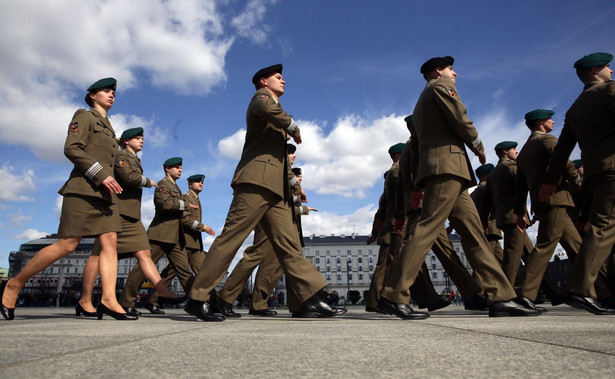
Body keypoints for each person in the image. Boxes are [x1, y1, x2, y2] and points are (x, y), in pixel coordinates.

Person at [378, 56, 540, 319]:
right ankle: (393, 295)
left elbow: (417, 146)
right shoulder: (440, 87)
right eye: (451, 69)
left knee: (474, 233)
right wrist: (477, 144)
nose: (456, 74)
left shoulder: (421, 103)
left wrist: (419, 183)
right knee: (428, 227)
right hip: (447, 167)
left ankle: (502, 296)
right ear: (438, 71)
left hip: (447, 171)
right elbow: (459, 116)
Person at [184, 64, 345, 321]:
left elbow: (280, 161)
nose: (284, 81)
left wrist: (294, 187)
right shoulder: (260, 100)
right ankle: (198, 297)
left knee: (290, 247)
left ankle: (310, 297)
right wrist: (293, 126)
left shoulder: (273, 109)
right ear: (263, 81)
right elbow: (269, 110)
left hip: (277, 191)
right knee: (232, 238)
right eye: (278, 77)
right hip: (255, 184)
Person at [1, 78, 136, 321]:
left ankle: (108, 299)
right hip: (84, 189)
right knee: (68, 244)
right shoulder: (84, 116)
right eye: (106, 90)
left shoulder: (110, 128)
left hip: (106, 195)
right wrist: (101, 174)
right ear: (92, 95)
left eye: (113, 91)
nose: (111, 94)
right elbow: (72, 149)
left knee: (110, 242)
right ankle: (14, 284)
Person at [539, 52, 615, 315]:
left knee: (604, 227)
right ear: (596, 70)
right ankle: (581, 288)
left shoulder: (574, 109)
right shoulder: (609, 91)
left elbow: (562, 151)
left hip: (596, 171)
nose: (611, 71)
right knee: (604, 227)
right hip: (612, 166)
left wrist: (549, 182)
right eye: (607, 67)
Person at [77, 127, 182, 318]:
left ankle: (161, 290)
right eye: (137, 137)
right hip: (116, 212)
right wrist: (147, 181)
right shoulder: (120, 156)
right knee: (96, 257)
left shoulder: (135, 159)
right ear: (126, 141)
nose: (142, 140)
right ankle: (84, 301)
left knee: (144, 252)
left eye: (142, 137)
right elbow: (128, 177)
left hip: (131, 216)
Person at [118, 157, 197, 315]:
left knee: (184, 271)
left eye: (181, 167)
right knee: (141, 269)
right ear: (167, 169)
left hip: (175, 237)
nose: (180, 170)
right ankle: (125, 303)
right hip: (160, 234)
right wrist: (185, 205)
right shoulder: (163, 184)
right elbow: (164, 205)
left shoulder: (176, 187)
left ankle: (199, 302)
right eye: (176, 167)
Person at [147, 174, 216, 310]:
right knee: (172, 273)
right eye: (197, 182)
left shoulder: (197, 199)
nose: (201, 183)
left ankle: (212, 301)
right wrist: (203, 227)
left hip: (195, 244)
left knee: (203, 273)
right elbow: (185, 220)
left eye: (202, 182)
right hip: (185, 242)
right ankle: (153, 300)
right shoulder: (186, 198)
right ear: (190, 184)